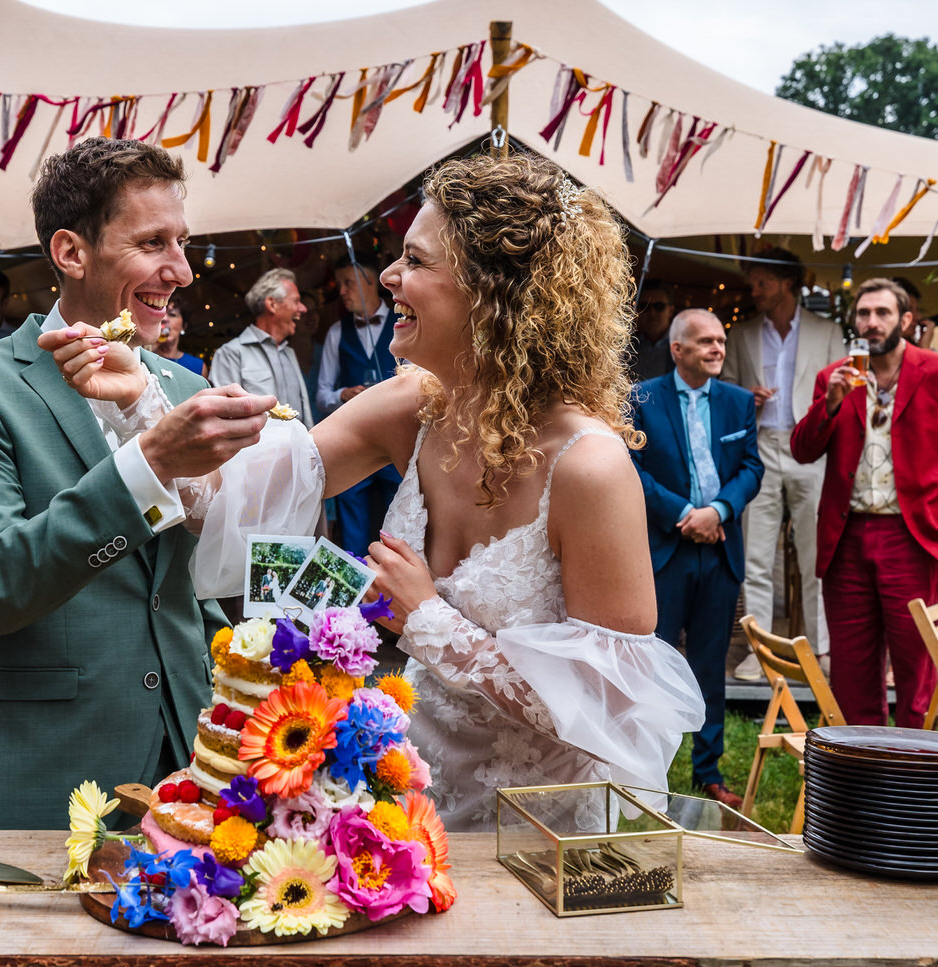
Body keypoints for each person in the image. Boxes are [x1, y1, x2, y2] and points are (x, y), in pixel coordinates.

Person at [52, 153, 705, 831]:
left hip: (540, 832)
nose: (388, 276)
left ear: (492, 295)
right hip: (409, 809)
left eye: (417, 262)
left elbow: (613, 708)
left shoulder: (589, 467)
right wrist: (139, 401)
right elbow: (226, 506)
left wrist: (430, 621)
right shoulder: (412, 404)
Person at [0, 137, 273, 830]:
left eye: (183, 242)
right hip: (50, 765)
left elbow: (194, 580)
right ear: (72, 253)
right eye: (152, 243)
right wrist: (149, 465)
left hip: (195, 763)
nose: (180, 271)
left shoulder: (184, 388)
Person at [791, 278, 938, 729]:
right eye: (863, 314)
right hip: (845, 540)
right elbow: (804, 450)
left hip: (914, 539)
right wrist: (829, 404)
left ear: (905, 320)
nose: (871, 322)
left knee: (917, 663)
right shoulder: (834, 377)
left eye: (882, 313)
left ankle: (911, 769)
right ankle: (864, 767)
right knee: (851, 666)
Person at [630, 310, 763, 809]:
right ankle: (647, 774)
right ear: (678, 349)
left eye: (722, 341)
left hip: (720, 548)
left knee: (710, 666)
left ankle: (708, 770)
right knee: (655, 664)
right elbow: (632, 469)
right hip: (667, 550)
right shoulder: (641, 398)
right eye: (705, 341)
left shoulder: (737, 402)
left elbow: (752, 466)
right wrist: (685, 513)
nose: (718, 349)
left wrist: (719, 510)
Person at [719, 247, 841, 679]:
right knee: (756, 555)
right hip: (762, 447)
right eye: (753, 282)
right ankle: (760, 651)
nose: (754, 291)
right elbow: (727, 391)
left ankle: (823, 653)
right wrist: (744, 397)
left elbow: (843, 395)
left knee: (815, 555)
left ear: (788, 282)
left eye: (763, 282)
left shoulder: (828, 331)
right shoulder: (741, 334)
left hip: (812, 447)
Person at [317, 254, 404, 558]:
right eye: (340, 284)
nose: (342, 291)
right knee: (352, 528)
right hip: (352, 446)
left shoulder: (404, 324)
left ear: (371, 282)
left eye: (348, 283)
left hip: (399, 442)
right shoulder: (337, 333)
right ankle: (356, 598)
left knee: (400, 525)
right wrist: (342, 395)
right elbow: (322, 394)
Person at [209, 268, 314, 426]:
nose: (303, 309)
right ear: (272, 304)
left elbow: (305, 413)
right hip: (256, 450)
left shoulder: (289, 353)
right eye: (296, 301)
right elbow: (224, 417)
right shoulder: (230, 353)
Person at [627, 279, 677, 383]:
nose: (652, 313)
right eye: (645, 306)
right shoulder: (628, 346)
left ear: (670, 311)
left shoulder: (682, 347)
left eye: (659, 307)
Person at [155, 297, 207, 378]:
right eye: (161, 313)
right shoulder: (142, 357)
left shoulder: (197, 367)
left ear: (184, 326)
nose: (164, 319)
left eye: (172, 314)